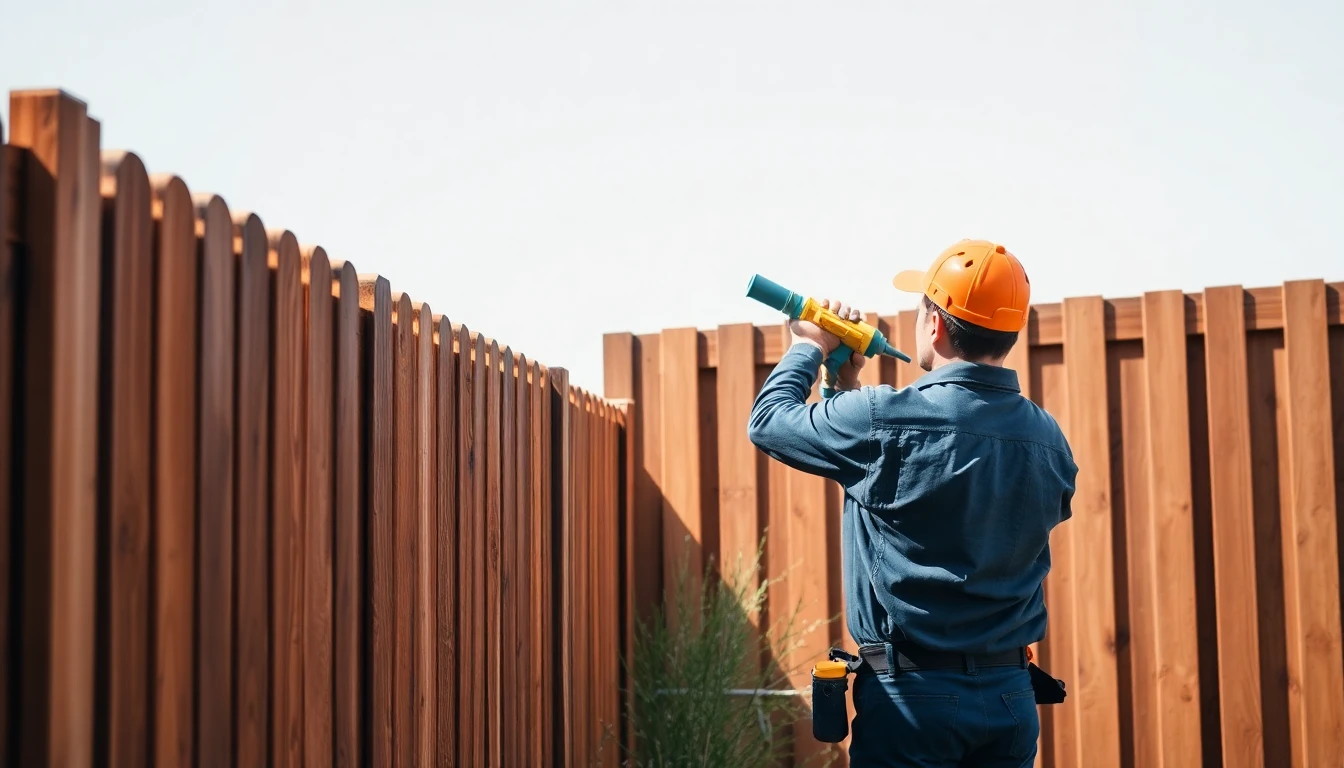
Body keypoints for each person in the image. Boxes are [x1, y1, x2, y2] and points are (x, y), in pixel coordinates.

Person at [746, 239, 1076, 767]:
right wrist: (843, 383)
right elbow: (895, 489)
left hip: (914, 704)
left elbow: (768, 423)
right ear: (1011, 333)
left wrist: (807, 344)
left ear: (935, 325)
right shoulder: (1048, 439)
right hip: (1011, 696)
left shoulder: (885, 420)